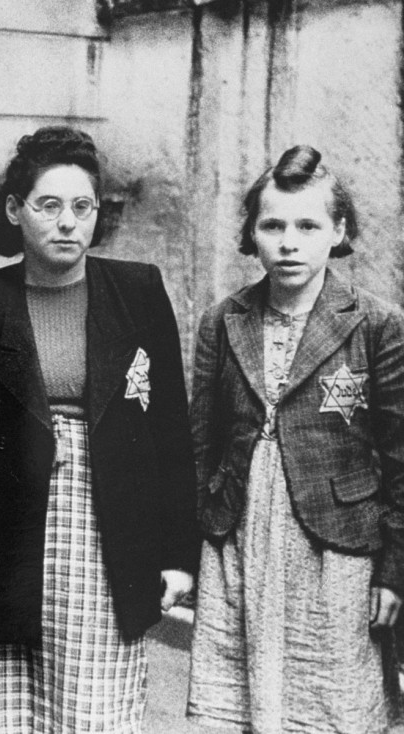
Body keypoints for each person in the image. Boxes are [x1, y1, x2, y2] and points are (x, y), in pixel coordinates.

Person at [0, 126, 199, 733]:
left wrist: (177, 555)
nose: (67, 223)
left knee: (90, 712)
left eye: (82, 207)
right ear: (16, 210)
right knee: (0, 713)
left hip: (107, 535)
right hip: (1, 541)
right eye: (48, 205)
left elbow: (172, 433)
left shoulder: (137, 290)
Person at [187, 146, 404, 732]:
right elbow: (201, 443)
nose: (289, 242)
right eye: (273, 225)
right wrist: (195, 543)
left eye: (308, 226)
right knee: (239, 697)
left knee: (330, 699)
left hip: (336, 547)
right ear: (251, 235)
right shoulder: (223, 319)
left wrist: (393, 571)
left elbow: (400, 460)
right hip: (241, 532)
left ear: (338, 232)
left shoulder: (376, 325)